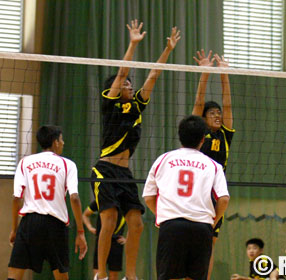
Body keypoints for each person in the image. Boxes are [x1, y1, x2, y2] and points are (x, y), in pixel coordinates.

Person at [91, 19, 181, 280]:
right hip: (104, 169)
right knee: (108, 221)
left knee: (137, 225)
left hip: (125, 174)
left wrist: (167, 50)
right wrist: (132, 45)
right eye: (125, 84)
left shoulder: (136, 108)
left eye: (131, 84)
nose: (129, 85)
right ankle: (101, 274)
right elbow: (121, 73)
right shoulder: (110, 105)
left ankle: (131, 275)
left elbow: (153, 76)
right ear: (115, 91)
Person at [142, 115, 230, 280]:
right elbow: (224, 199)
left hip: (172, 226)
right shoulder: (213, 165)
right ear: (203, 139)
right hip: (202, 228)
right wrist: (212, 221)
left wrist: (163, 215)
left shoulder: (163, 160)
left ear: (180, 136)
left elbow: (148, 196)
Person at [7, 125, 87, 280]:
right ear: (56, 142)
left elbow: (17, 198)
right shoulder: (68, 164)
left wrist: (14, 229)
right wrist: (80, 232)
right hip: (55, 224)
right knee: (61, 276)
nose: (63, 143)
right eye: (62, 139)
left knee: (14, 275)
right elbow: (75, 198)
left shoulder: (25, 162)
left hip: (29, 223)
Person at [192, 49, 234, 279]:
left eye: (219, 113)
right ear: (204, 118)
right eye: (212, 113)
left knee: (210, 244)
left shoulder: (225, 135)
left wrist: (224, 75)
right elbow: (198, 102)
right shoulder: (198, 132)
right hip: (197, 192)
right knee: (192, 242)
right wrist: (206, 73)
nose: (218, 115)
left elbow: (227, 105)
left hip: (217, 194)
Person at [82, 201, 126, 280]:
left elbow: (134, 221)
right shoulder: (101, 198)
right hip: (101, 241)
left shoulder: (124, 200)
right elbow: (85, 215)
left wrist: (127, 239)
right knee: (98, 273)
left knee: (114, 276)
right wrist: (90, 227)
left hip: (116, 242)